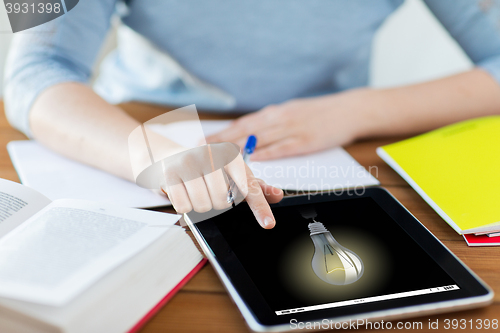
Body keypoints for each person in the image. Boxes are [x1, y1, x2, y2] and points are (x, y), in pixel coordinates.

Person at [5, 0, 500, 228]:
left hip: (332, 147)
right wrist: (151, 152)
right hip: (131, 126)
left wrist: (360, 110)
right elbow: (31, 70)